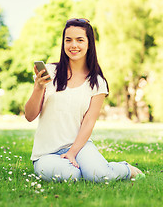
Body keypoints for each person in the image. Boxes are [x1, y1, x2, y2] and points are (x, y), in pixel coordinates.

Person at [25, 18, 143, 182]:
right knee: (71, 176)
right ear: (63, 43)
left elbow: (88, 122)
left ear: (89, 44)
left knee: (99, 176)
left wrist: (73, 152)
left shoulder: (98, 82)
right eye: (68, 40)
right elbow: (29, 116)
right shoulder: (50, 72)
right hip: (46, 153)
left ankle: (124, 169)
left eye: (80, 40)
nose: (73, 45)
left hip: (80, 147)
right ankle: (93, 168)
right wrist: (38, 88)